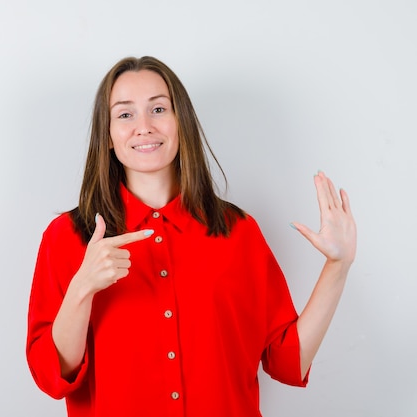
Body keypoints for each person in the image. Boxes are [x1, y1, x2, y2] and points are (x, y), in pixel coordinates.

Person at [26, 56, 357, 417]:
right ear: (106, 135)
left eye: (158, 109)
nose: (144, 126)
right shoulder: (67, 238)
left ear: (181, 122)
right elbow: (52, 377)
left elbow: (287, 361)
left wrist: (337, 265)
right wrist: (82, 288)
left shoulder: (238, 231)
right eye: (124, 114)